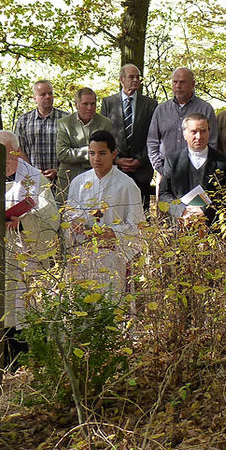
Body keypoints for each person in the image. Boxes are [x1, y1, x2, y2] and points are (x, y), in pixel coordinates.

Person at [0, 130, 59, 365]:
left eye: (7, 156)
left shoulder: (35, 179)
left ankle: (33, 359)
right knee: (2, 306)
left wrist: (25, 221)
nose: (1, 162)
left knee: (26, 305)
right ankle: (2, 360)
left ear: (17, 153)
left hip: (27, 252)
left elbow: (51, 215)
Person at [64, 130, 146, 298]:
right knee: (83, 304)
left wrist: (113, 233)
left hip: (112, 257)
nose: (96, 159)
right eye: (92, 153)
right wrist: (74, 225)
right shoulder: (78, 183)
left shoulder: (127, 185)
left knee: (111, 304)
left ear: (113, 154)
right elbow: (68, 217)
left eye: (102, 153)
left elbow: (137, 226)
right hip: (84, 256)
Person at [161, 114, 226, 224]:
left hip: (213, 229)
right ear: (184, 134)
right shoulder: (172, 160)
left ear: (209, 132)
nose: (199, 137)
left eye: (203, 131)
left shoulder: (224, 162)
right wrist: (182, 211)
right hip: (180, 226)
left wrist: (205, 211)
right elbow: (163, 194)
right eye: (194, 132)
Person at [99, 64, 157, 203]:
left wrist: (140, 160)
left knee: (140, 215)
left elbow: (153, 136)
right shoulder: (108, 103)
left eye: (138, 77)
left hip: (141, 171)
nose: (136, 80)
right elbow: (104, 136)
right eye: (131, 77)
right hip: (115, 169)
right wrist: (116, 159)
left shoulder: (150, 104)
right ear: (121, 79)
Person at [147, 67, 218, 174]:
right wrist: (161, 169)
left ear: (193, 84)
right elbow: (152, 142)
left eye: (182, 82)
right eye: (175, 82)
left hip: (196, 171)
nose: (178, 86)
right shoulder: (161, 110)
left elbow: (212, 142)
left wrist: (202, 168)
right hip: (165, 170)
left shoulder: (205, 109)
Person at [56, 88, 117, 201]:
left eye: (92, 104)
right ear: (76, 105)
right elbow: (62, 154)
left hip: (96, 180)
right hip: (68, 180)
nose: (89, 108)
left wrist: (76, 153)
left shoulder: (105, 123)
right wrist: (91, 152)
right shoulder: (64, 124)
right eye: (85, 104)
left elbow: (107, 153)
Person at [14, 80, 69, 183]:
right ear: (34, 98)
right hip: (31, 180)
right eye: (43, 94)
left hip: (61, 180)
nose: (48, 97)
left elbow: (71, 148)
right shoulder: (24, 121)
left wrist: (59, 170)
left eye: (50, 93)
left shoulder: (66, 119)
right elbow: (19, 150)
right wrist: (31, 171)